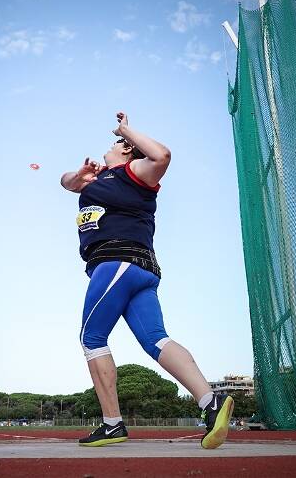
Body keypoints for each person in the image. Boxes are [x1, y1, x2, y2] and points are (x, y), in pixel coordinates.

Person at [60, 112, 233, 449]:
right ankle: (210, 403)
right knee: (156, 339)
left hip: (117, 261)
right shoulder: (97, 182)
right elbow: (66, 183)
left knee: (91, 337)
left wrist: (126, 130)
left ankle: (112, 424)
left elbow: (162, 156)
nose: (107, 148)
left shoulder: (134, 172)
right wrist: (79, 175)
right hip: (137, 270)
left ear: (127, 151)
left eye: (114, 144)